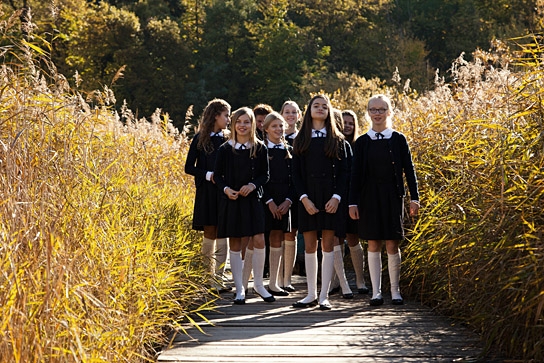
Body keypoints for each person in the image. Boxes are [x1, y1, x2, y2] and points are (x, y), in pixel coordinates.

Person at [349, 94, 420, 306]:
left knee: (391, 242)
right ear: (368, 113)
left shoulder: (398, 139)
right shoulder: (362, 142)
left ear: (389, 112)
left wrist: (414, 198)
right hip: (369, 197)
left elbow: (409, 170)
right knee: (373, 242)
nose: (377, 113)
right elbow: (355, 175)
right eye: (373, 109)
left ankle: (395, 291)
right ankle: (376, 293)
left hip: (392, 195)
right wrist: (352, 202)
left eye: (381, 109)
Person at [292, 94, 349, 311]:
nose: (320, 109)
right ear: (309, 111)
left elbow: (345, 173)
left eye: (324, 106)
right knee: (309, 246)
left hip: (331, 199)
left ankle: (324, 296)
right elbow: (295, 175)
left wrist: (337, 198)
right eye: (316, 106)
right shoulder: (300, 139)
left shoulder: (338, 140)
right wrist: (304, 199)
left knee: (327, 245)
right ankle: (310, 294)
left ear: (329, 111)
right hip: (307, 198)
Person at [214, 107, 275, 305]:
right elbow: (218, 176)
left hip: (252, 200)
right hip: (231, 201)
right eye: (238, 121)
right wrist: (226, 190)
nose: (242, 125)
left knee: (258, 239)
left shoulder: (260, 148)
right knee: (236, 242)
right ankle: (239, 288)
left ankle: (258, 285)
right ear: (233, 124)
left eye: (246, 122)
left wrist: (252, 185)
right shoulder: (225, 149)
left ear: (252, 125)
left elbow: (265, 175)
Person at [184, 98, 231, 292]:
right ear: (216, 116)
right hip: (206, 191)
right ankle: (207, 278)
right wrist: (207, 174)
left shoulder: (229, 138)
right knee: (210, 231)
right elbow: (188, 167)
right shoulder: (200, 138)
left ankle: (219, 279)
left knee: (224, 231)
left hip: (225, 191)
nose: (229, 119)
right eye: (226, 115)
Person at [261, 112, 295, 296]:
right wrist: (269, 202)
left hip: (284, 203)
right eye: (274, 126)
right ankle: (250, 283)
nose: (278, 129)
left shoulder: (289, 150)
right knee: (256, 240)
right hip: (265, 201)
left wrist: (288, 201)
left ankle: (274, 283)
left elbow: (294, 180)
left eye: (281, 126)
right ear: (265, 129)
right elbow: (258, 178)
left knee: (277, 238)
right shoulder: (260, 150)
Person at [341, 109, 370, 295]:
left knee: (353, 237)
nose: (347, 126)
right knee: (334, 240)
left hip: (354, 198)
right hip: (335, 197)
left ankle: (360, 280)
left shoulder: (359, 145)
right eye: (344, 122)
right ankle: (337, 281)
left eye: (351, 123)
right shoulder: (332, 144)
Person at [280, 100, 302, 291]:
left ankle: (287, 279)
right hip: (276, 193)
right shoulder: (272, 138)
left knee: (291, 233)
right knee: (276, 235)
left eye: (294, 112)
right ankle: (276, 279)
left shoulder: (302, 139)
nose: (290, 115)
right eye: (287, 112)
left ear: (299, 116)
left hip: (296, 193)